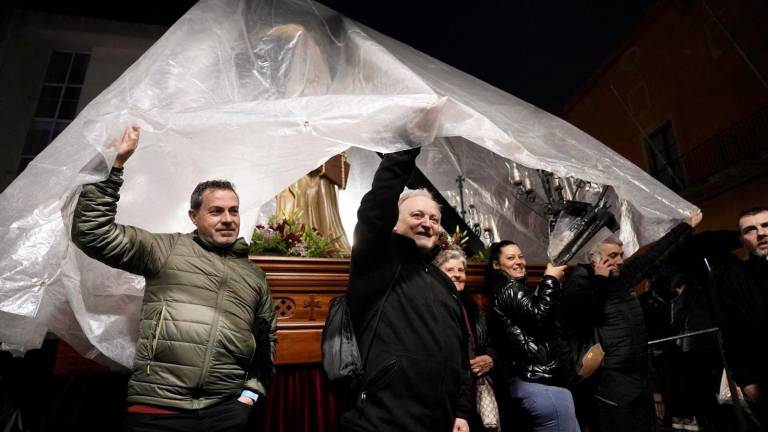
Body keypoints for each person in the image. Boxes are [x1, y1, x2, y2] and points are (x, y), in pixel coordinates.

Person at [71, 126, 277, 432]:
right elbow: (93, 233)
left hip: (226, 412)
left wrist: (249, 395)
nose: (228, 219)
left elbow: (266, 342)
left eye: (233, 211)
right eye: (216, 211)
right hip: (158, 408)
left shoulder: (254, 276)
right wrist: (115, 167)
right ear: (194, 216)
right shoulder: (165, 249)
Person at [340, 147, 471, 432]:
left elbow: (461, 355)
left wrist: (461, 411)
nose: (427, 224)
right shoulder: (376, 262)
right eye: (417, 216)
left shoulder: (444, 282)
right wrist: (407, 143)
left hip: (441, 421)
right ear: (395, 223)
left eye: (434, 219)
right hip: (381, 421)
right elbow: (378, 203)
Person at [563, 210, 703, 432]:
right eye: (613, 256)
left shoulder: (621, 277)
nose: (620, 260)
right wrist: (599, 280)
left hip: (638, 374)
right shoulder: (580, 282)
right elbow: (582, 316)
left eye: (620, 254)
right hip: (609, 380)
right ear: (594, 258)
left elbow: (652, 257)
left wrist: (685, 226)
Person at [485, 240, 578, 432]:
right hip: (540, 383)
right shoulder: (509, 288)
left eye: (521, 256)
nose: (519, 262)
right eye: (511, 258)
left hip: (534, 383)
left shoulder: (505, 290)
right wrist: (551, 279)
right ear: (496, 265)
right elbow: (539, 316)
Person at [436, 247, 499, 431]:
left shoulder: (472, 307)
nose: (457, 275)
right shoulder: (433, 306)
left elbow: (491, 343)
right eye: (450, 270)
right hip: (448, 394)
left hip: (476, 388)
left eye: (461, 270)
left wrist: (491, 358)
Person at [716, 207, 768, 429]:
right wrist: (746, 380)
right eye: (751, 229)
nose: (761, 233)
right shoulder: (734, 278)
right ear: (742, 239)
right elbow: (733, 332)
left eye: (766, 225)